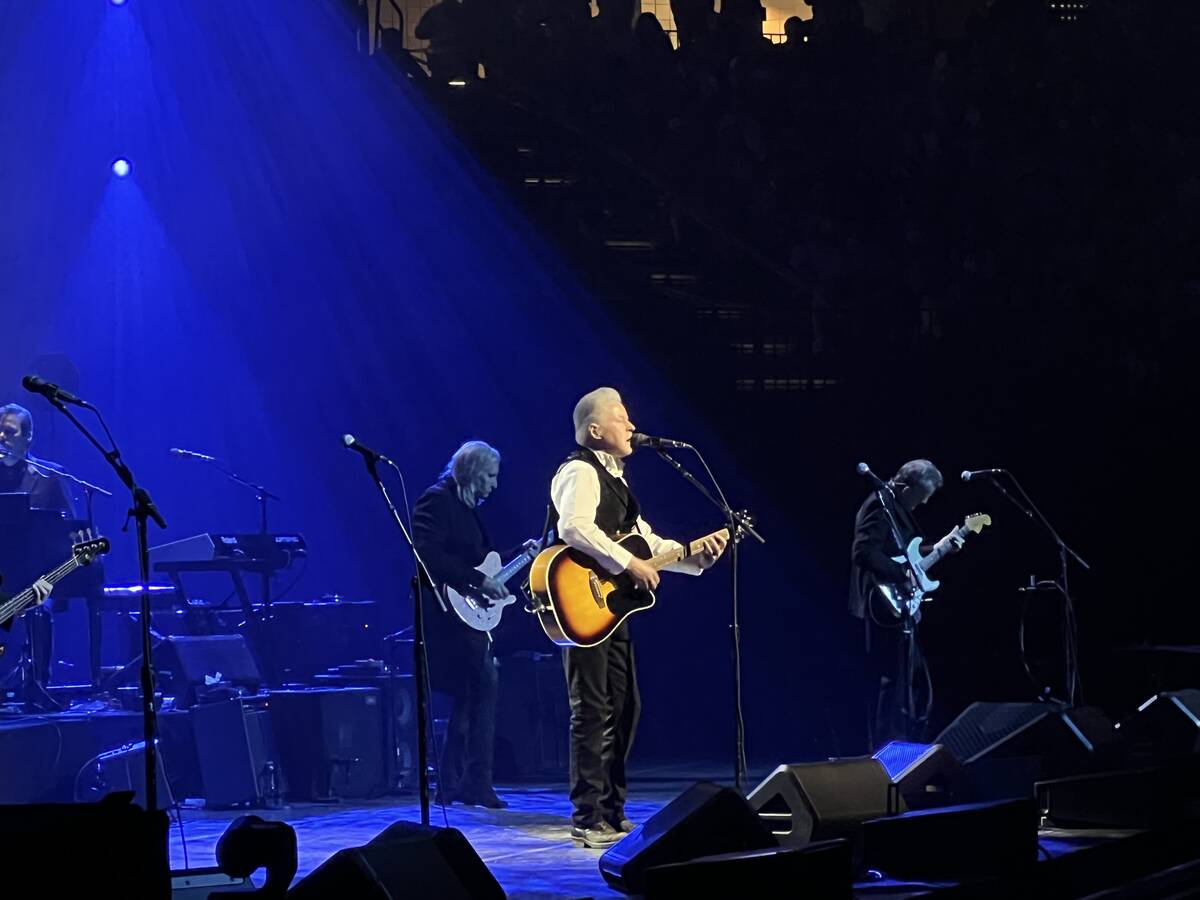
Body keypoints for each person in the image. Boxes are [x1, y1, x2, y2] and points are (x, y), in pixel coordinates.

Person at [549, 387, 726, 848]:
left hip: (611, 610)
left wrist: (694, 557)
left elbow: (647, 544)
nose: (631, 426)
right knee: (590, 711)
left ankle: (612, 809)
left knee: (626, 707)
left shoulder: (619, 484)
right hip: (580, 605)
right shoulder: (579, 471)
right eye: (621, 417)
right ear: (594, 430)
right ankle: (588, 816)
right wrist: (629, 565)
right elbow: (573, 527)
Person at [412, 440, 508, 809]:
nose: (494, 485)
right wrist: (476, 581)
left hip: (468, 614)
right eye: (490, 476)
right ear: (470, 472)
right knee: (481, 685)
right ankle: (470, 783)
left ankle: (459, 783)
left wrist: (518, 557)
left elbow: (481, 562)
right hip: (444, 614)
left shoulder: (469, 510)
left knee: (474, 694)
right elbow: (427, 552)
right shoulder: (437, 500)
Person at [849, 459, 960, 746]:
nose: (923, 502)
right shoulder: (879, 504)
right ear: (905, 485)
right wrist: (901, 574)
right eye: (920, 495)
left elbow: (905, 552)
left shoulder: (894, 506)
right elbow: (863, 552)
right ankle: (885, 749)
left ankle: (903, 744)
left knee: (910, 681)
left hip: (898, 604)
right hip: (881, 602)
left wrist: (942, 546)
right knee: (889, 681)